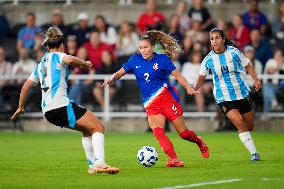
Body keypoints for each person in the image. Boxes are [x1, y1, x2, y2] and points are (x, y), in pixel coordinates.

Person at [11, 26, 119, 174]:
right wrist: (85, 63)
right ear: (62, 45)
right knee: (99, 127)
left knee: (88, 130)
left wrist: (20, 107)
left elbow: (25, 87)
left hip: (48, 112)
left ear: (47, 46)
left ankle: (92, 165)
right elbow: (69, 59)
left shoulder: (41, 64)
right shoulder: (58, 55)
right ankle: (100, 163)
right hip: (60, 105)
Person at [102, 30, 209, 167]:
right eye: (141, 47)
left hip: (167, 100)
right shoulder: (134, 59)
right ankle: (174, 159)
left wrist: (188, 87)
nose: (143, 50)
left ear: (152, 47)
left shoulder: (162, 59)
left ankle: (199, 142)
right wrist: (111, 79)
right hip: (151, 104)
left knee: (184, 134)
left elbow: (178, 76)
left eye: (146, 47)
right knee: (157, 130)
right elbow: (119, 73)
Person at [194, 28, 262, 161]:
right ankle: (254, 154)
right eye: (212, 39)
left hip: (241, 92)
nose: (215, 41)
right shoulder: (208, 59)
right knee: (239, 122)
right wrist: (194, 88)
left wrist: (256, 79)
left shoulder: (234, 52)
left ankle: (247, 139)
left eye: (217, 38)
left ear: (223, 39)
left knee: (250, 125)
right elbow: (202, 76)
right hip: (223, 97)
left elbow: (247, 65)